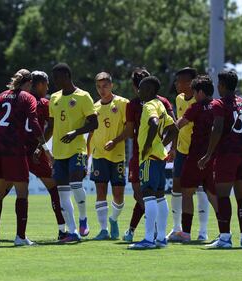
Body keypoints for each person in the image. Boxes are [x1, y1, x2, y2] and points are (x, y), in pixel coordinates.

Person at [0, 71, 67, 241]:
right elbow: (45, 126)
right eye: (46, 84)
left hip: (3, 150)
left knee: (0, 191)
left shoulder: (1, 97)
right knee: (50, 188)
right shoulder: (38, 101)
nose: (47, 88)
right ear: (37, 84)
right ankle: (61, 229)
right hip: (27, 151)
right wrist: (44, 149)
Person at [198, 70, 242, 248]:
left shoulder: (219, 103)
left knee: (222, 196)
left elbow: (218, 128)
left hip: (227, 153)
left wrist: (208, 155)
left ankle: (224, 238)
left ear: (221, 85)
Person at [122, 68, 174, 242]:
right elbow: (174, 129)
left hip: (149, 157)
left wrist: (148, 146)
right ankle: (161, 238)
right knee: (160, 196)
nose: (139, 92)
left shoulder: (150, 105)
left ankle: (148, 239)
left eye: (142, 89)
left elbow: (154, 122)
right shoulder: (161, 104)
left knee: (148, 194)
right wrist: (162, 146)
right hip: (160, 157)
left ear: (150, 91)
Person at [48, 63, 98, 242]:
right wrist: (39, 146)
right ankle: (72, 231)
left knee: (76, 184)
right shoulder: (54, 98)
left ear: (67, 76)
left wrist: (75, 132)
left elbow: (94, 123)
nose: (55, 81)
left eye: (57, 77)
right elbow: (51, 126)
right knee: (62, 193)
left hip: (77, 149)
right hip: (59, 153)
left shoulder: (83, 97)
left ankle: (83, 217)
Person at [167, 67, 211, 242]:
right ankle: (177, 228)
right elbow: (179, 125)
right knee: (176, 188)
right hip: (181, 151)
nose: (177, 84)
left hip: (197, 153)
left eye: (180, 80)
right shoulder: (178, 99)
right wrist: (172, 148)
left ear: (190, 83)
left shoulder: (200, 101)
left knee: (200, 189)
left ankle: (203, 231)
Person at [175, 75, 219, 242]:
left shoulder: (196, 107)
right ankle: (224, 232)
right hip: (214, 157)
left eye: (194, 92)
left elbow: (180, 124)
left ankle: (186, 233)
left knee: (187, 191)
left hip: (195, 156)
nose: (193, 95)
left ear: (200, 92)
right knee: (212, 193)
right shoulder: (218, 106)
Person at [87, 72, 129, 240]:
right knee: (101, 192)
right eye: (98, 87)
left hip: (117, 155)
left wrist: (115, 141)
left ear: (111, 85)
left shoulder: (122, 103)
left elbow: (129, 129)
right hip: (99, 155)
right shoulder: (94, 107)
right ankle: (103, 229)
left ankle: (113, 219)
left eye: (105, 86)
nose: (101, 90)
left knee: (118, 195)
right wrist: (87, 154)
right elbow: (90, 132)